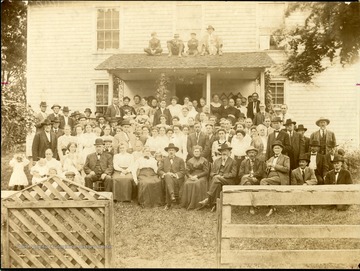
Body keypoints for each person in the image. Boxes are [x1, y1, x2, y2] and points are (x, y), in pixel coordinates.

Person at [198, 144, 237, 212]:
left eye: (225, 151)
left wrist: (222, 176)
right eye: (222, 151)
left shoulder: (233, 161)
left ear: (229, 152)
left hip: (228, 180)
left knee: (216, 179)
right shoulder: (216, 161)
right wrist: (217, 175)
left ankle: (208, 198)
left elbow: (233, 174)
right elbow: (211, 173)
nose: (224, 152)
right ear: (220, 152)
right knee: (217, 183)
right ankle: (215, 205)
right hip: (217, 180)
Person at [260, 141, 290, 216]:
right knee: (268, 187)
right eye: (275, 148)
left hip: (280, 176)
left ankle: (268, 204)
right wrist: (267, 167)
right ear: (273, 149)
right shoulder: (270, 158)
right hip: (270, 177)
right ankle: (272, 206)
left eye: (278, 148)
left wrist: (274, 165)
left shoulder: (285, 158)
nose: (276, 149)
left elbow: (287, 169)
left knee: (263, 181)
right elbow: (266, 171)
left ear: (281, 149)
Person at [238, 146, 266, 214]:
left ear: (256, 153)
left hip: (257, 180)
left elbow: (260, 172)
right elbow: (240, 174)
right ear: (247, 154)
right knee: (247, 183)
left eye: (253, 152)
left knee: (246, 181)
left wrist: (253, 176)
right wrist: (250, 177)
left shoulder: (260, 161)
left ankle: (250, 205)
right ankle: (251, 206)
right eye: (250, 152)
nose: (251, 154)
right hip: (248, 180)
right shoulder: (244, 162)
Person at [181, 146, 210, 210]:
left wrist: (197, 176)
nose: (196, 153)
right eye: (195, 151)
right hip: (192, 176)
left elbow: (206, 171)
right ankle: (187, 203)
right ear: (193, 152)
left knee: (196, 183)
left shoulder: (204, 160)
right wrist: (190, 176)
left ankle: (197, 204)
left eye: (198, 151)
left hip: (202, 176)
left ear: (200, 152)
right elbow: (187, 171)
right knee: (187, 183)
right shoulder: (190, 160)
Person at [158, 143, 186, 210]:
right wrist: (165, 174)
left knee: (168, 180)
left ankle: (168, 203)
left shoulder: (180, 160)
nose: (171, 152)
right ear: (167, 151)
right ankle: (172, 195)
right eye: (169, 150)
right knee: (168, 177)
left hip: (177, 179)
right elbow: (159, 170)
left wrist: (175, 175)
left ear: (175, 151)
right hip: (166, 178)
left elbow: (183, 171)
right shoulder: (163, 160)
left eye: (172, 150)